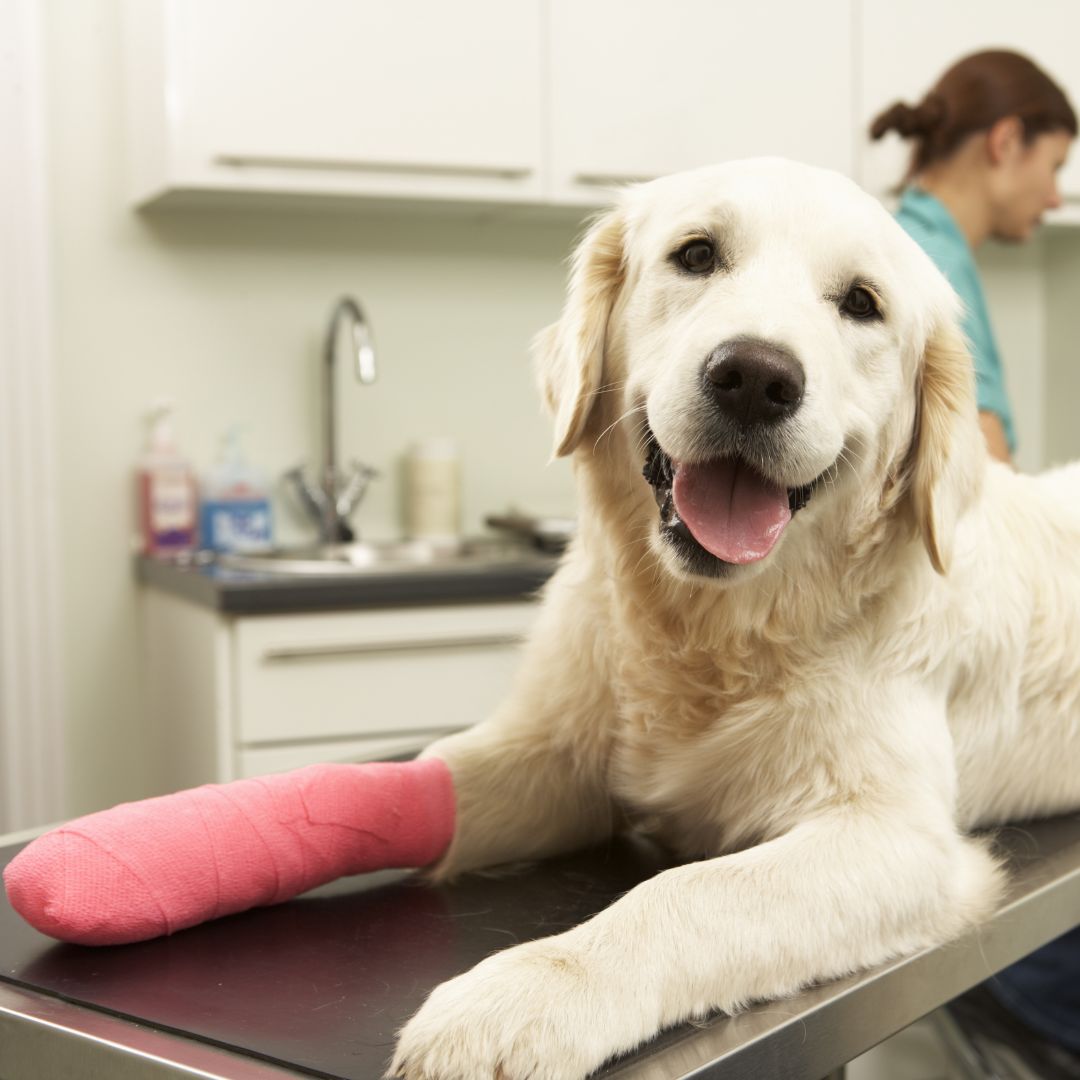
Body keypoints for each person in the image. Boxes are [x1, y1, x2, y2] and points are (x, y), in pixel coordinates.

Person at [871, 49, 1080, 1079]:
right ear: (1006, 143)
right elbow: (975, 493)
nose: (1055, 195)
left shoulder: (913, 244)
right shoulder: (926, 268)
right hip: (920, 672)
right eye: (1054, 165)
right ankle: (1025, 1005)